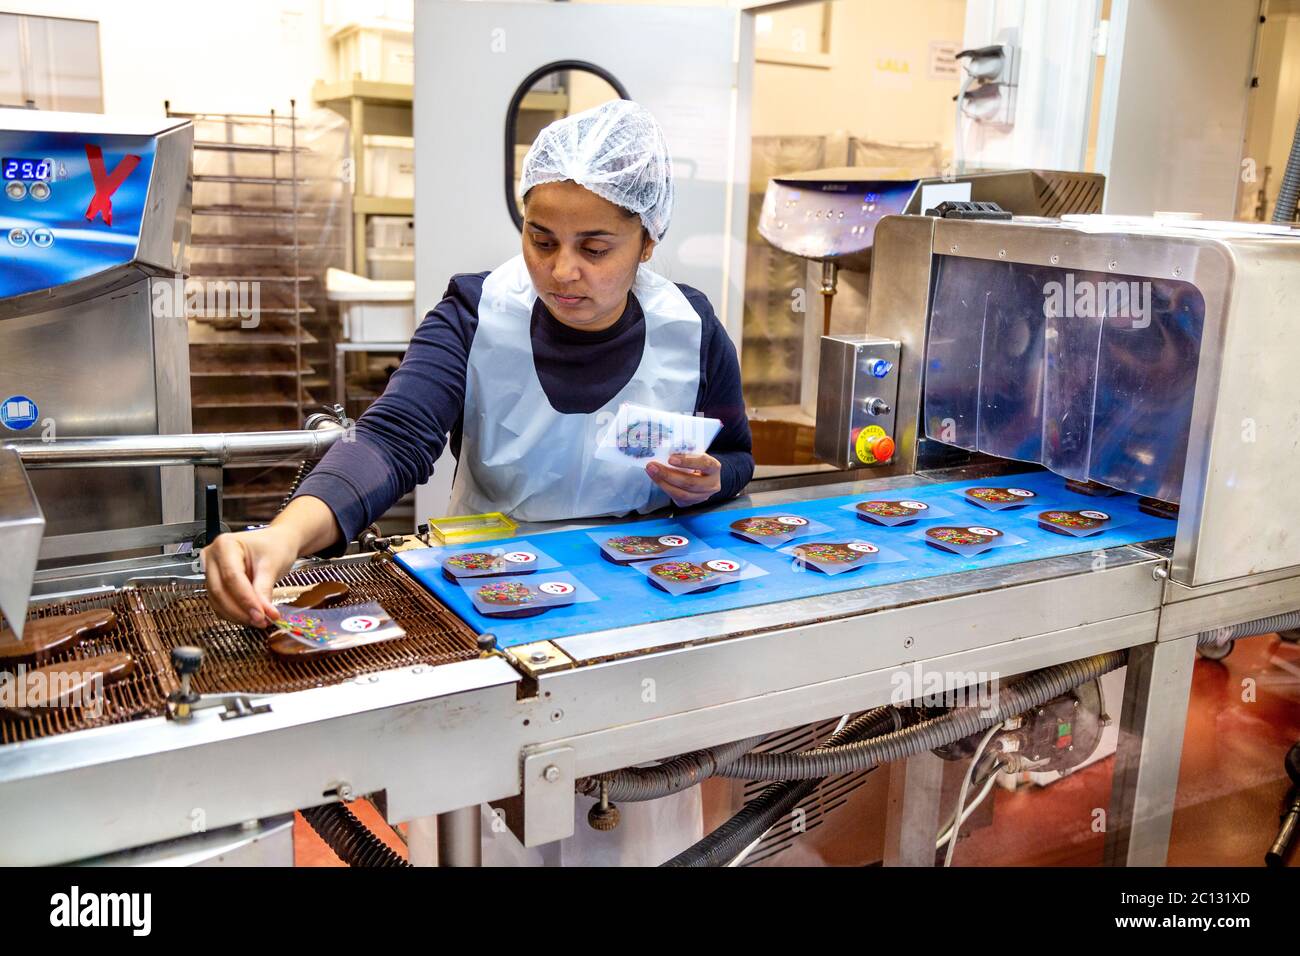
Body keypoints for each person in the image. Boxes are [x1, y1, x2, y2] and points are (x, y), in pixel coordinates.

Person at [202, 99, 754, 865]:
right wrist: (283, 535)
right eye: (542, 238)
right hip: (489, 627)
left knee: (634, 835)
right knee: (488, 837)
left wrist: (708, 480)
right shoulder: (477, 312)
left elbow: (736, 457)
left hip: (638, 631)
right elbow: (394, 437)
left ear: (648, 239)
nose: (564, 270)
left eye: (596, 246)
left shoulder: (691, 327)